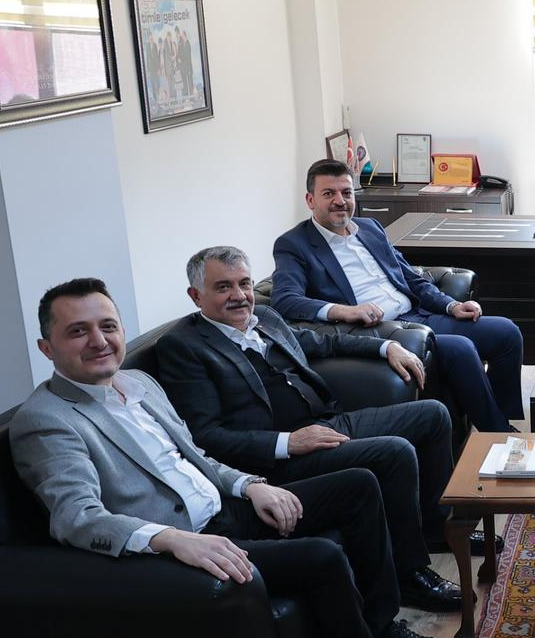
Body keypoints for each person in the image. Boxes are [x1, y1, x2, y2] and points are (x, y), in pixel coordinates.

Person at [9, 278, 453, 638]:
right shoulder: (47, 420)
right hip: (189, 542)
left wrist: (250, 485)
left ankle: (381, 626)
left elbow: (195, 455)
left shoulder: (139, 383)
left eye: (108, 326)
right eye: (78, 332)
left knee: (359, 485)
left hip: (226, 507)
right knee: (322, 554)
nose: (99, 341)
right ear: (47, 348)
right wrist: (171, 539)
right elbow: (77, 518)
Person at [157, 245, 467, 611]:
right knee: (395, 452)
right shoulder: (184, 347)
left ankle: (435, 531)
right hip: (281, 458)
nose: (239, 296)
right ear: (196, 296)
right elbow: (205, 437)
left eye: (244, 283)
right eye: (224, 287)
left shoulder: (265, 318)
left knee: (432, 414)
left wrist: (386, 347)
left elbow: (324, 342)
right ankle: (408, 574)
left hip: (327, 422)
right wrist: (287, 442)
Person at [271, 159, 525, 430]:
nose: (340, 201)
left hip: (416, 315)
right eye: (328, 193)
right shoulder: (294, 244)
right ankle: (498, 434)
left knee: (506, 333)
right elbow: (285, 300)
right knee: (460, 348)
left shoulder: (370, 228)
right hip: (381, 330)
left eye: (346, 192)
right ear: (310, 200)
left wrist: (451, 305)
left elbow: (409, 277)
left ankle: (502, 419)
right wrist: (344, 311)